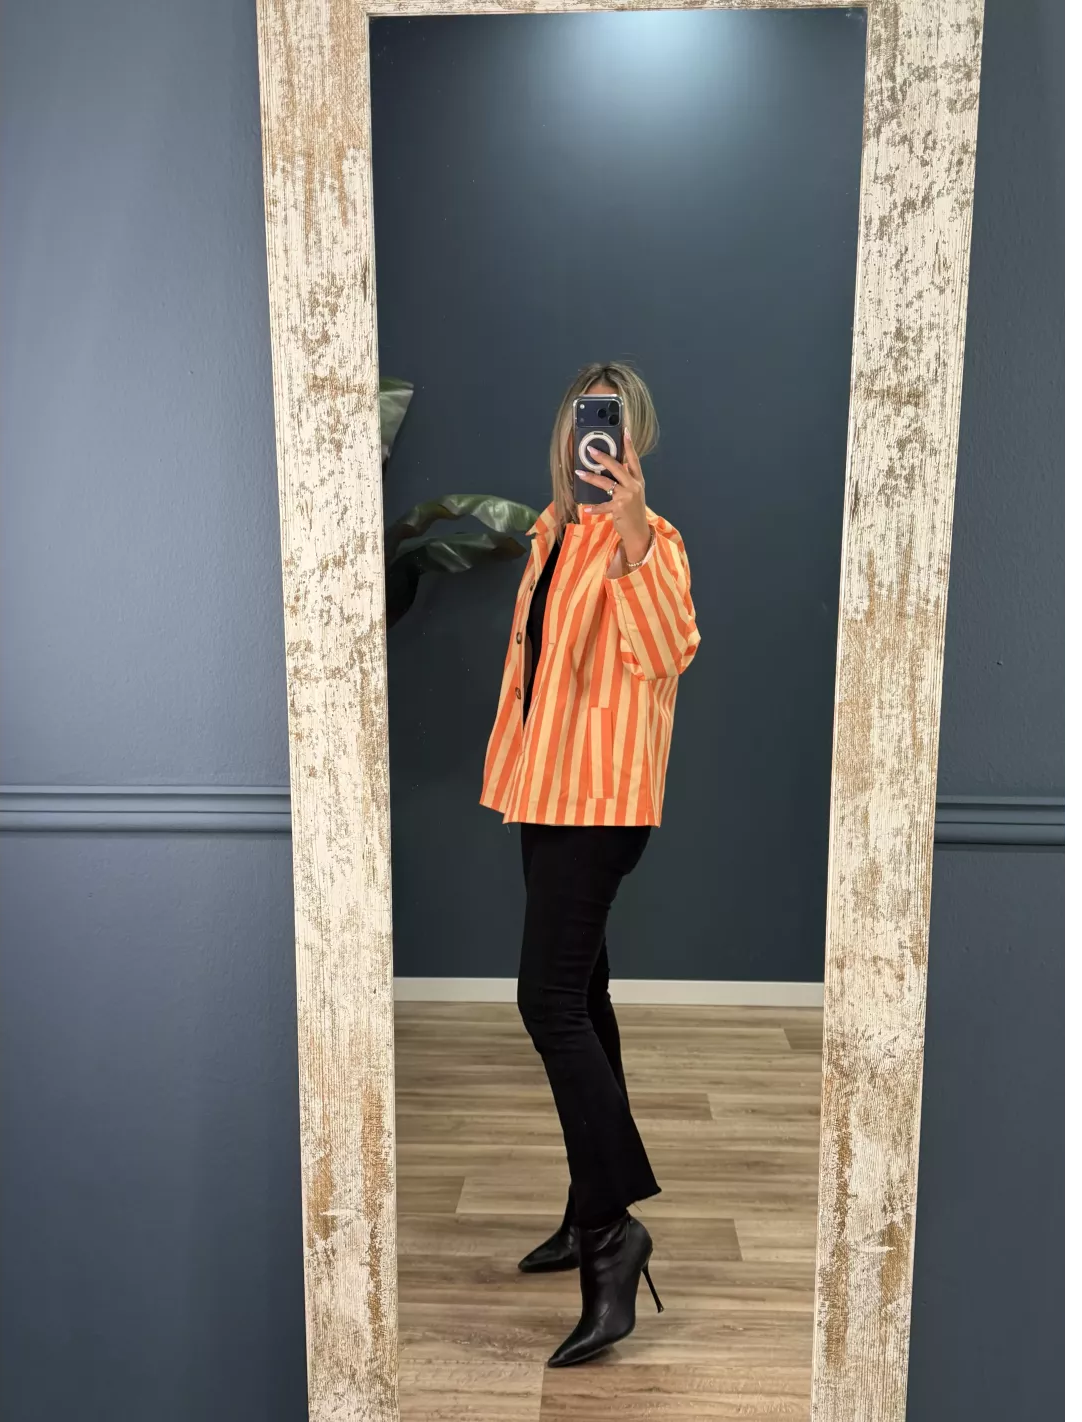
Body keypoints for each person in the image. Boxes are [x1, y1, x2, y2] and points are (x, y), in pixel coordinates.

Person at [480, 361, 701, 1367]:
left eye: (610, 423)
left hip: (600, 804)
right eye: (582, 421)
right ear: (566, 435)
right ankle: (586, 1208)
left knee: (547, 1003)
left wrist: (634, 530)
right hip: (543, 790)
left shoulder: (649, 543)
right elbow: (533, 674)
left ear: (634, 440)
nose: (594, 439)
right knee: (583, 996)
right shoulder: (548, 533)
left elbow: (668, 651)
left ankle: (613, 1236)